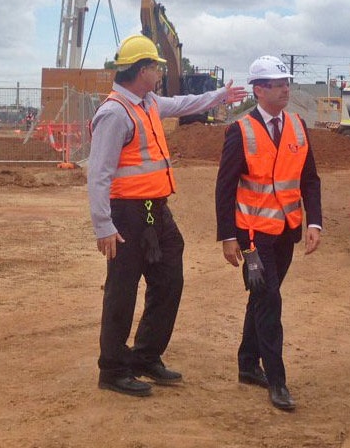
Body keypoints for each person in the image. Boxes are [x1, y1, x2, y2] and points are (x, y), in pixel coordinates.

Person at [88, 34, 247, 397]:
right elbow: (98, 174)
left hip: (155, 210)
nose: (160, 73)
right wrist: (103, 226)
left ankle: (146, 356)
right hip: (126, 215)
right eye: (156, 67)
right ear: (141, 70)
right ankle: (112, 369)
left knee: (169, 279)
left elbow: (183, 103)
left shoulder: (148, 102)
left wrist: (220, 96)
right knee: (122, 291)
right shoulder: (114, 113)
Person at [215, 55, 322, 411]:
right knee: (270, 301)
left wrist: (314, 223)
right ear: (259, 90)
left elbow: (309, 180)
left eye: (286, 83)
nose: (285, 89)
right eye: (277, 84)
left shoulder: (298, 126)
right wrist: (229, 237)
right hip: (253, 236)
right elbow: (225, 188)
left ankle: (247, 363)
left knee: (261, 297)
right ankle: (277, 380)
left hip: (286, 231)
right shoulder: (240, 130)